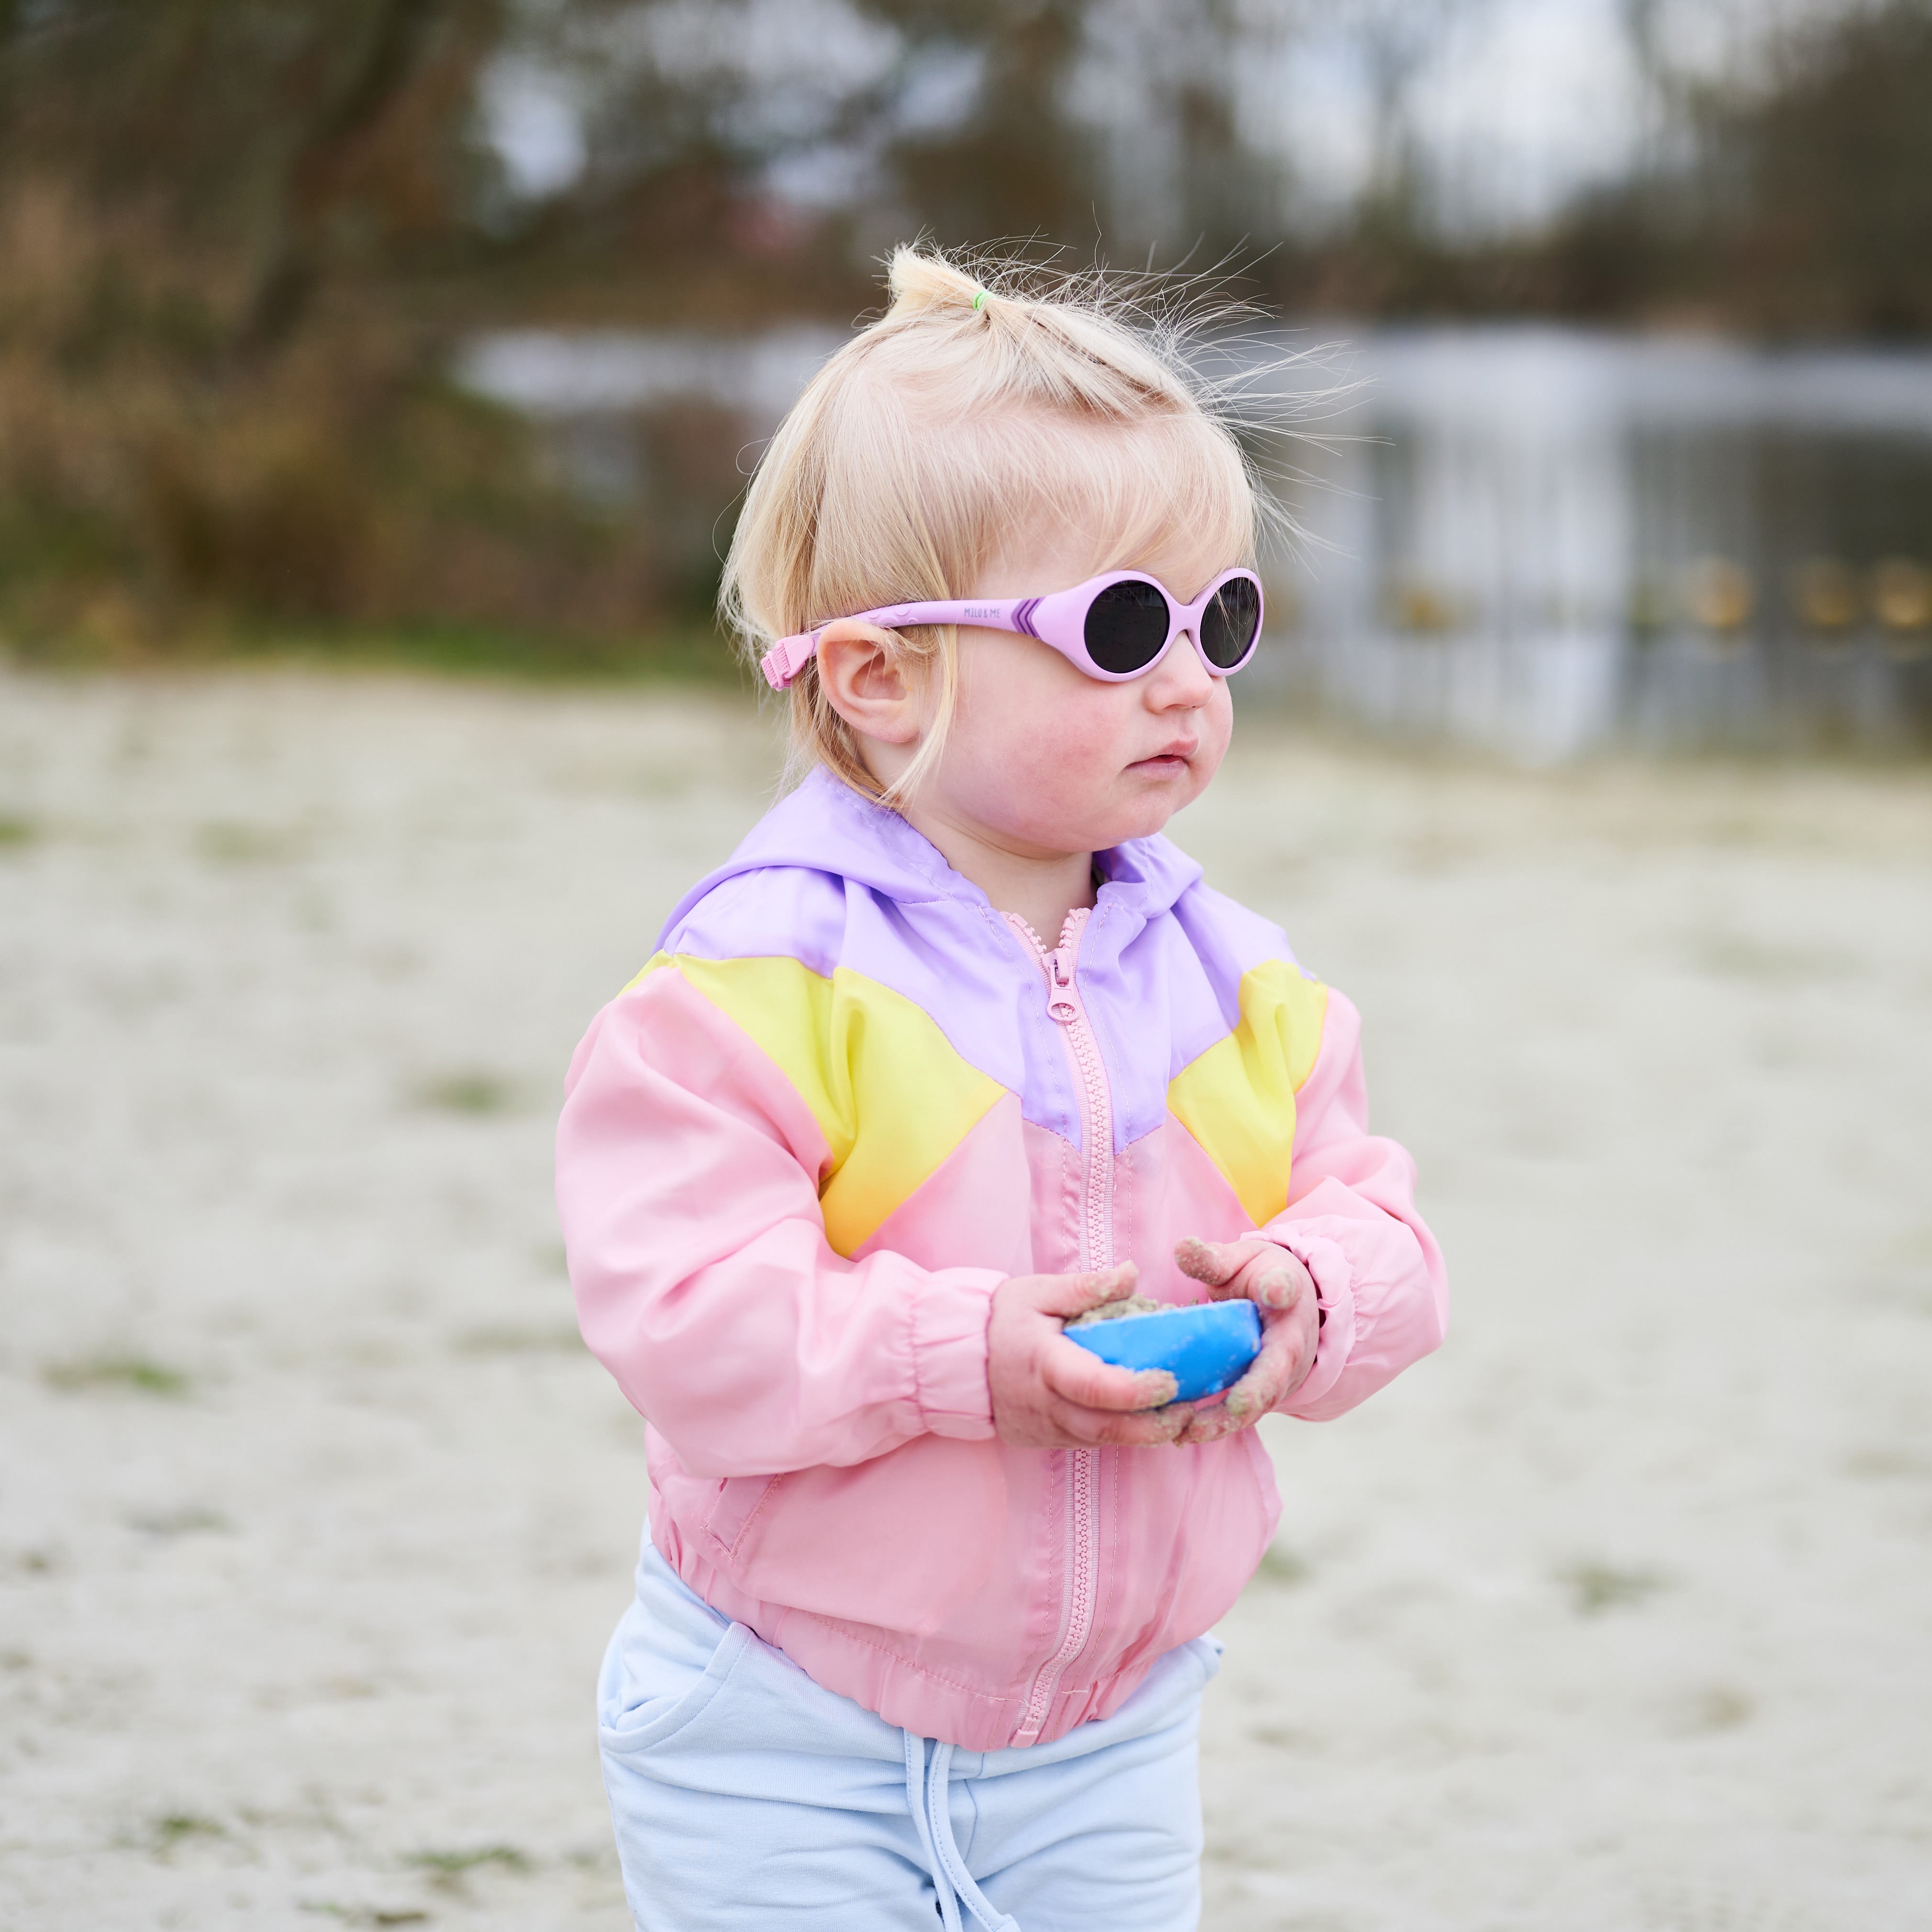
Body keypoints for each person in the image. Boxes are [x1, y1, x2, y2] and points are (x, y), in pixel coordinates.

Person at [555, 245, 1447, 1932]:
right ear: (879, 674)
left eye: (1219, 620)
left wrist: (1312, 1292)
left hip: (1109, 1737)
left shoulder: (1240, 986)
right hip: (783, 1718)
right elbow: (684, 1320)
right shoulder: (760, 986)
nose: (1188, 682)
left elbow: (1386, 1231)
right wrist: (962, 1358)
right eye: (1122, 627)